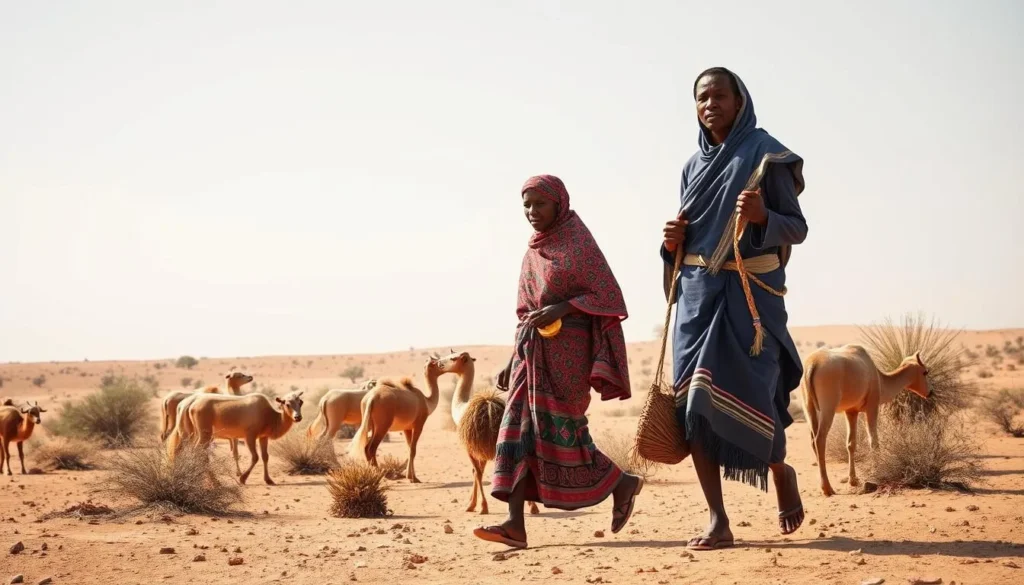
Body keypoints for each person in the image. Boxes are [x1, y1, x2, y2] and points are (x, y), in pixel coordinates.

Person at [661, 67, 808, 550]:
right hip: (697, 298)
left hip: (750, 299)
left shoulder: (768, 155)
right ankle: (717, 520)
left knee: (754, 396)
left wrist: (764, 216)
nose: (710, 105)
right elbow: (691, 237)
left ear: (739, 101)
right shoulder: (691, 166)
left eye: (719, 96)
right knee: (694, 409)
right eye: (701, 98)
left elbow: (797, 227)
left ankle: (779, 469)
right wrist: (670, 245)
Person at [473, 174, 644, 550]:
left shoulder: (578, 243)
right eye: (526, 205)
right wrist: (512, 358)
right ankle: (515, 525)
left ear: (559, 203)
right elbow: (526, 314)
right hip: (531, 355)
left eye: (540, 204)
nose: (532, 212)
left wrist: (563, 307)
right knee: (517, 431)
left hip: (569, 355)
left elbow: (607, 294)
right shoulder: (532, 253)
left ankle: (622, 482)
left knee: (565, 433)